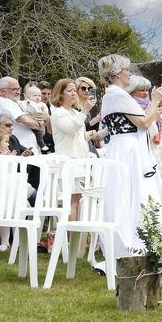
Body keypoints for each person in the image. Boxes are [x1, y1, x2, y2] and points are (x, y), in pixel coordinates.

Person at [98, 54, 162, 265]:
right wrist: (154, 101)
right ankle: (134, 241)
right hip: (128, 150)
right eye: (127, 70)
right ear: (118, 73)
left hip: (127, 147)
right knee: (132, 193)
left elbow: (144, 120)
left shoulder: (114, 95)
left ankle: (145, 236)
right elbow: (144, 123)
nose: (130, 73)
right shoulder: (117, 95)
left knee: (134, 193)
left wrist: (155, 111)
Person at [50, 79, 98, 221]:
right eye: (69, 91)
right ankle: (68, 239)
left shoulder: (75, 113)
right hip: (67, 162)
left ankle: (74, 239)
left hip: (80, 162)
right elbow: (71, 129)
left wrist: (91, 135)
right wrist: (85, 111)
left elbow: (79, 137)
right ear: (61, 94)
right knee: (70, 203)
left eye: (73, 90)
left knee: (76, 202)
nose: (73, 93)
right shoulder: (58, 113)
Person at [126, 75, 162, 190]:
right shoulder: (132, 108)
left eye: (146, 90)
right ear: (132, 91)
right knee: (150, 190)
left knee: (160, 189)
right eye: (141, 90)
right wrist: (154, 117)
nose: (145, 93)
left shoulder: (150, 105)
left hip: (160, 153)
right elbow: (145, 130)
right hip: (147, 155)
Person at [0, 77, 42, 156]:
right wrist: (40, 124)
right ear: (2, 91)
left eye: (19, 89)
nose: (18, 92)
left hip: (27, 148)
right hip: (22, 148)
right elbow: (24, 120)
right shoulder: (6, 102)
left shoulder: (16, 102)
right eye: (14, 89)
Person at [20, 84, 48, 153]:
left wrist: (45, 116)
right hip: (32, 122)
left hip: (41, 122)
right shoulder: (27, 103)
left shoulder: (42, 104)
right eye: (35, 96)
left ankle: (42, 144)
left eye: (39, 95)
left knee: (40, 134)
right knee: (38, 134)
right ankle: (42, 145)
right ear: (28, 97)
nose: (37, 97)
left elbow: (46, 113)